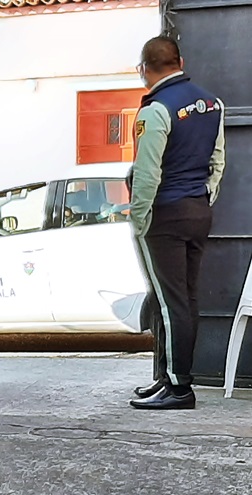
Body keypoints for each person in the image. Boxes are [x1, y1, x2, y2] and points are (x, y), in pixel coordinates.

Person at [128, 35, 225, 410]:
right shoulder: (212, 104)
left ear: (145, 70)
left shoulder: (154, 111)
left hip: (165, 214)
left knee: (170, 303)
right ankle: (167, 379)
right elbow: (218, 161)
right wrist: (204, 197)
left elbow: (147, 173)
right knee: (186, 298)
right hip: (197, 209)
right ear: (180, 61)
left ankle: (180, 388)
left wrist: (140, 219)